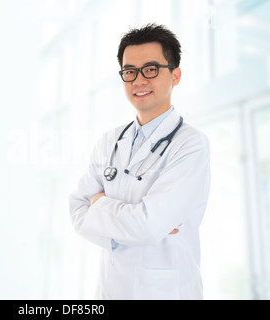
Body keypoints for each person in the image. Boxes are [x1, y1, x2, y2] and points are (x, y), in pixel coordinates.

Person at [69, 23, 211, 300]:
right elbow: (76, 210)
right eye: (129, 71)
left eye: (151, 69)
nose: (138, 80)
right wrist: (137, 223)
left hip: (166, 292)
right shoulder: (109, 141)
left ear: (176, 75)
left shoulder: (191, 145)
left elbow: (146, 226)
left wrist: (100, 205)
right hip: (110, 290)